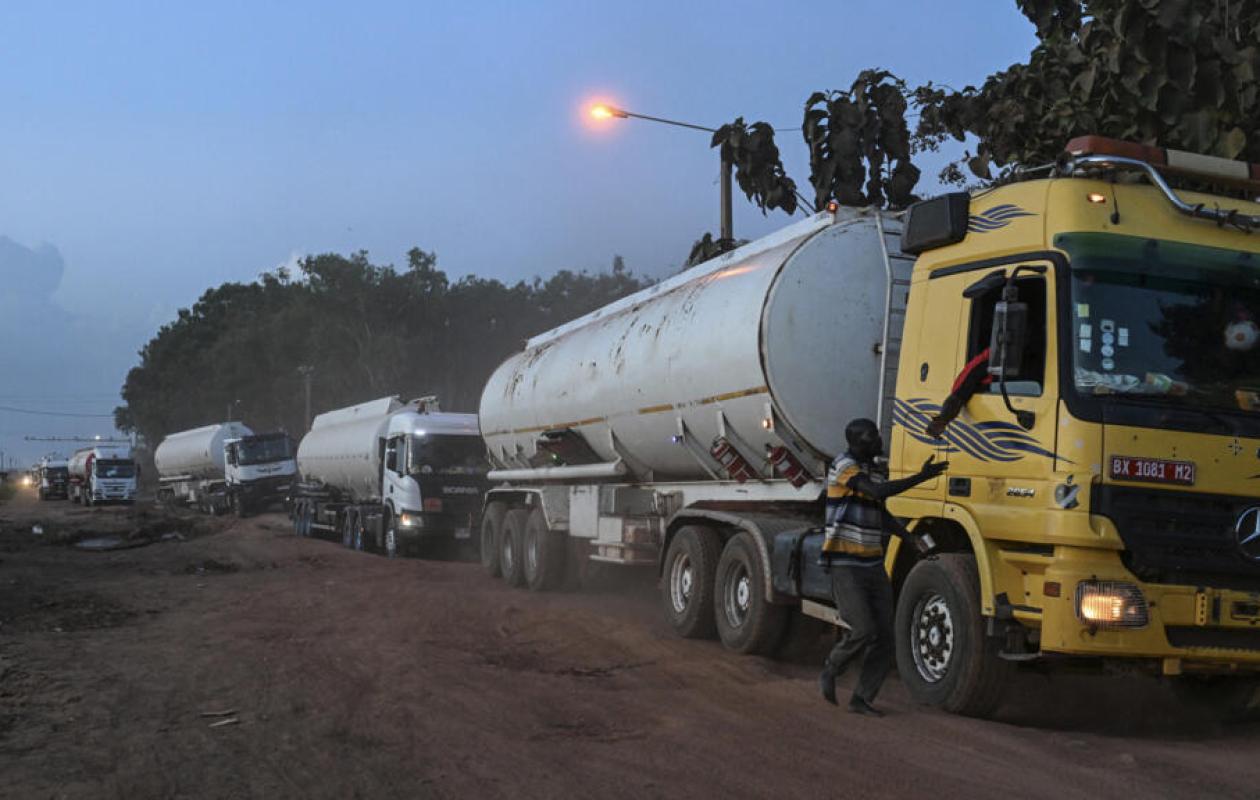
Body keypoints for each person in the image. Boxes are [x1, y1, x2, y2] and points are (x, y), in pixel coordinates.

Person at [819, 418, 947, 716]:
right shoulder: (843, 466)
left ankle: (861, 699)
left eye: (876, 434)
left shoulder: (869, 470)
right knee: (863, 628)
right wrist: (921, 477)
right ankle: (831, 667)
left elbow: (879, 512)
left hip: (872, 563)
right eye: (870, 436)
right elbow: (878, 493)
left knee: (886, 637)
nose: (878, 440)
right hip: (846, 563)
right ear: (854, 442)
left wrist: (909, 538)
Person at [925, 346, 991, 438]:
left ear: (937, 426)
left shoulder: (948, 411)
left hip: (964, 386)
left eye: (939, 432)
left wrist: (989, 368)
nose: (942, 432)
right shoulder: (946, 416)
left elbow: (973, 375)